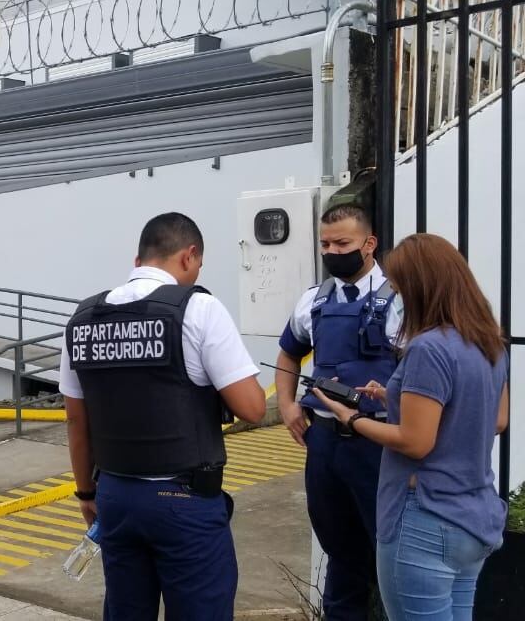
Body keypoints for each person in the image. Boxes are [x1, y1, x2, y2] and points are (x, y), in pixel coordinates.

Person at [61, 212, 266, 620]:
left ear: (138, 261)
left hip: (114, 496)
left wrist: (86, 494)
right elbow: (253, 408)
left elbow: (75, 421)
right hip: (183, 500)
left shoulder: (81, 321)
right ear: (189, 256)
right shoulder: (200, 310)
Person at [312, 233, 509, 621]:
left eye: (400, 287)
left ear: (421, 286)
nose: (396, 294)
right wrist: (396, 397)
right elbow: (496, 418)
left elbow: (415, 442)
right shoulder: (490, 341)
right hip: (475, 515)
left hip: (424, 518)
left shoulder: (428, 347)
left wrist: (351, 417)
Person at [274, 203, 401, 620]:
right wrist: (289, 404)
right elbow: (288, 355)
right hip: (325, 442)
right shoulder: (313, 299)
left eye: (342, 243)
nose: (331, 251)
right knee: (338, 548)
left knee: (388, 550)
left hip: (378, 444)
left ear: (369, 244)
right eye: (325, 244)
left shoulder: (400, 300)